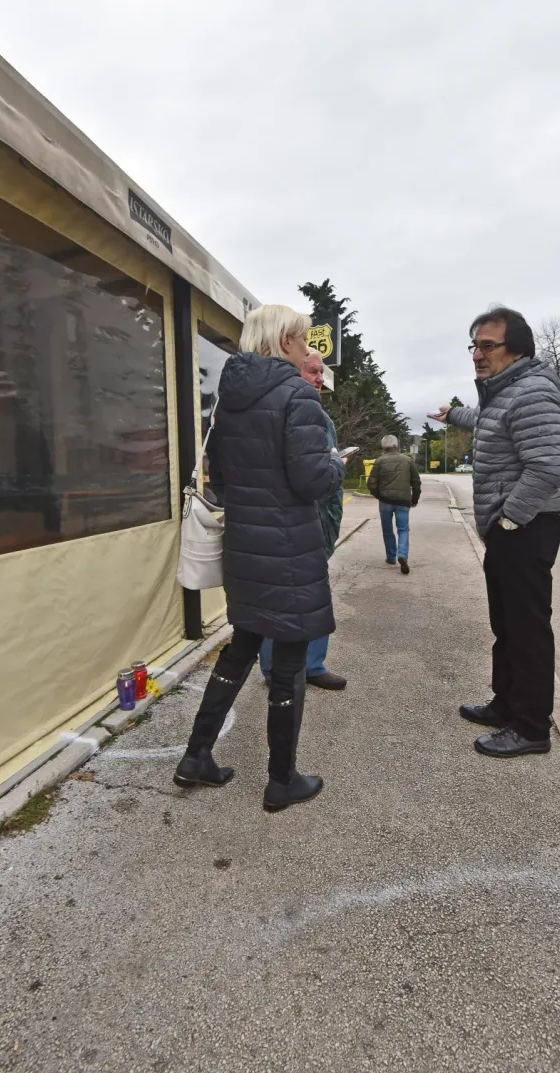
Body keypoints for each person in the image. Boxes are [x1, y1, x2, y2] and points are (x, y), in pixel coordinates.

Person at [173, 305, 346, 811]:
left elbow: (221, 479)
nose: (307, 346)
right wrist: (335, 464)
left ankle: (195, 756)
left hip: (244, 547)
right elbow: (312, 480)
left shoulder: (229, 401)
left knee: (240, 648)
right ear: (287, 341)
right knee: (289, 663)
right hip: (290, 548)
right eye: (302, 338)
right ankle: (281, 779)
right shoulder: (298, 397)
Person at [429, 304, 560, 758]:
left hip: (524, 529)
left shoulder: (532, 392)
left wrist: (510, 519)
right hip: (507, 529)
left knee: (527, 628)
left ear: (517, 350)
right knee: (506, 624)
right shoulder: (503, 393)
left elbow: (547, 467)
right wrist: (453, 414)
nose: (476, 354)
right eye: (474, 345)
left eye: (487, 345)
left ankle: (531, 727)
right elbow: (489, 422)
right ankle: (506, 703)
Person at [258, 348, 346, 691]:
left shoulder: (318, 414)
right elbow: (308, 475)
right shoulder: (287, 411)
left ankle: (304, 664)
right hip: (299, 522)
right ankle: (288, 667)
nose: (320, 378)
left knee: (308, 595)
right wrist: (337, 467)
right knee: (292, 598)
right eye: (313, 371)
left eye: (321, 373)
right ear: (294, 373)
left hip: (318, 520)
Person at [367, 435, 421, 572]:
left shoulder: (379, 461)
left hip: (385, 502)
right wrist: (414, 499)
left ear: (383, 447)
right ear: (396, 446)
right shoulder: (408, 460)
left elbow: (371, 483)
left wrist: (379, 496)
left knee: (387, 530)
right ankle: (402, 554)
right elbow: (416, 482)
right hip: (403, 501)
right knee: (403, 529)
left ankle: (391, 557)